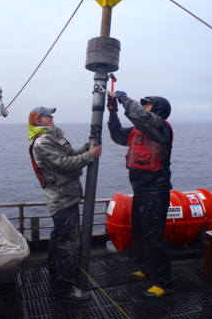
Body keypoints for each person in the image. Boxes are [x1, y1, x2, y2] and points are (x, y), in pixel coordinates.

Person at [27, 106, 102, 301]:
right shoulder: (42, 143)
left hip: (67, 196)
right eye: (47, 116)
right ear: (38, 121)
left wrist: (88, 146)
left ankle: (55, 271)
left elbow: (71, 154)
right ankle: (66, 286)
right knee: (69, 242)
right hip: (62, 198)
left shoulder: (51, 139)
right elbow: (64, 163)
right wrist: (90, 156)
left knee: (59, 236)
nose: (52, 117)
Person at [107, 92, 174, 298]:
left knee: (153, 236)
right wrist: (113, 113)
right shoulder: (138, 131)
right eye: (142, 104)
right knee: (139, 232)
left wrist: (124, 100)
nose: (144, 107)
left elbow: (142, 117)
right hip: (140, 190)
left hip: (156, 189)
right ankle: (146, 269)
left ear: (158, 109)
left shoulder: (160, 127)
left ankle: (164, 282)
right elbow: (118, 135)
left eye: (148, 104)